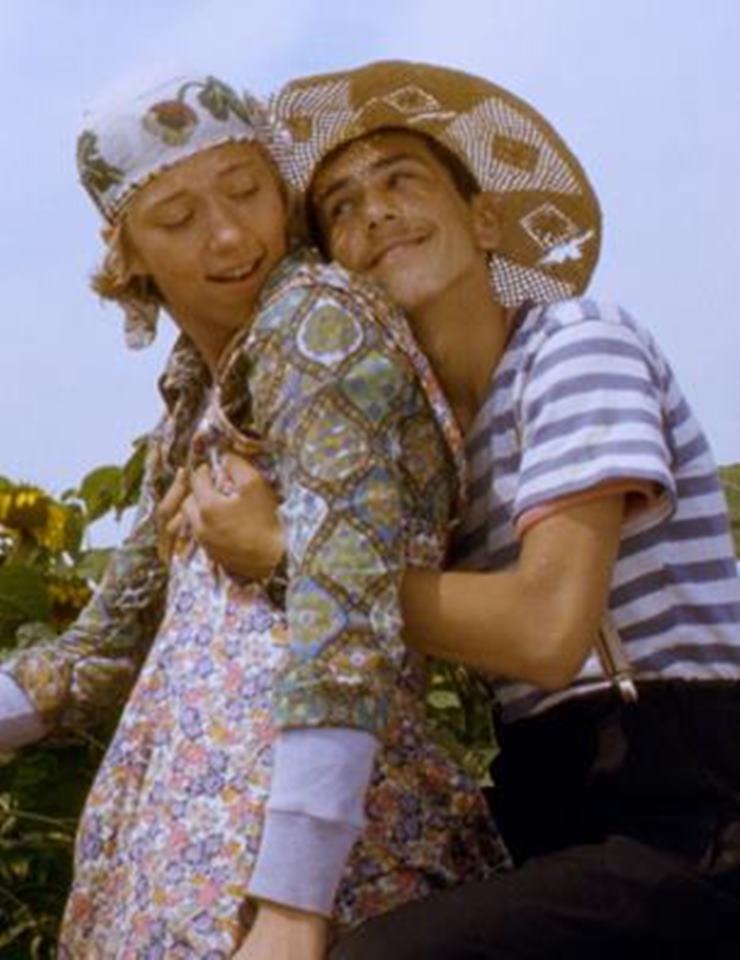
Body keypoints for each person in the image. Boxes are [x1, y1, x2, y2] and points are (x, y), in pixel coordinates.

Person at [185, 61, 740, 956]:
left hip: (683, 799)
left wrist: (287, 551)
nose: (375, 213)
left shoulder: (575, 342)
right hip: (550, 793)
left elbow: (547, 630)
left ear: (485, 221)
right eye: (340, 208)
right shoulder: (430, 445)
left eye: (402, 180)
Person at [0, 74, 507, 957]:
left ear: (282, 191)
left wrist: (293, 901)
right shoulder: (194, 400)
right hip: (183, 832)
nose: (231, 235)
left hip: (300, 834)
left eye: (245, 191)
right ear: (128, 253)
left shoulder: (319, 321)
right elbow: (99, 651)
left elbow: (346, 600)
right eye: (178, 218)